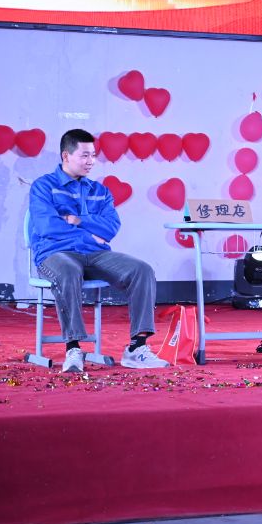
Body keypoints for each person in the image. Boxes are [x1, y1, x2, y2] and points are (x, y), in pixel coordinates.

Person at [29, 129, 167, 372]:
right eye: (84, 155)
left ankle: (137, 348)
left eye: (93, 155)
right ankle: (73, 348)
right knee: (69, 271)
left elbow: (111, 227)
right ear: (66, 155)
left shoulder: (100, 191)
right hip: (55, 253)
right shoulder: (44, 186)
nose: (91, 161)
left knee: (142, 270)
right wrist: (90, 234)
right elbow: (46, 227)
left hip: (95, 255)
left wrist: (78, 220)